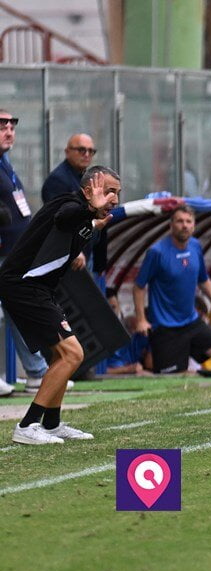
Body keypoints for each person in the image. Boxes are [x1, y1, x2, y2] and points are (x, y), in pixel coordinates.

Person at [0, 166, 120, 444]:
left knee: (63, 355)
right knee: (72, 354)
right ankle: (28, 425)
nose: (114, 198)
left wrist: (93, 224)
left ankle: (51, 424)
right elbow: (65, 217)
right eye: (109, 190)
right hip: (23, 286)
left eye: (117, 193)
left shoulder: (84, 213)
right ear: (89, 189)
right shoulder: (69, 204)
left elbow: (70, 233)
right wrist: (91, 211)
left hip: (38, 289)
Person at [133, 205, 211, 374]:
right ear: (170, 225)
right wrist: (141, 320)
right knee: (174, 379)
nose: (184, 225)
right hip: (165, 327)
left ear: (194, 225)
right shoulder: (157, 252)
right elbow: (138, 287)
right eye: (180, 221)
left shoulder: (196, 246)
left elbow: (203, 279)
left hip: (191, 321)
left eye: (188, 221)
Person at [0, 108, 50, 393]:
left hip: (14, 254)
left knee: (18, 311)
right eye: (2, 125)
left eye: (12, 126)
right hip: (3, 252)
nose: (9, 131)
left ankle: (36, 371)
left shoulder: (5, 163)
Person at [41, 134, 108, 289]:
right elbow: (59, 220)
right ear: (67, 151)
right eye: (81, 150)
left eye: (91, 151)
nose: (86, 154)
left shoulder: (87, 178)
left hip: (87, 253)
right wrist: (74, 250)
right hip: (73, 258)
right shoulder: (58, 180)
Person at [102, 288, 151, 375]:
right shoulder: (101, 338)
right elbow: (98, 372)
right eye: (107, 308)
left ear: (119, 307)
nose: (112, 312)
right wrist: (127, 369)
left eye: (114, 307)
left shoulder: (134, 330)